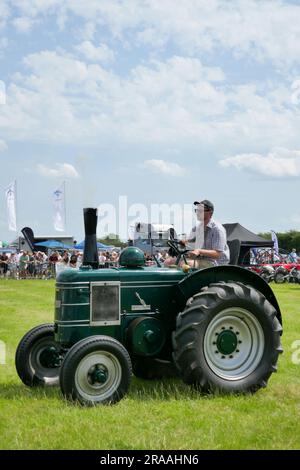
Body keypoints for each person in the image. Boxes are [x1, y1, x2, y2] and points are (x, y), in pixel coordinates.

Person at [182, 199, 230, 268]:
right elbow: (192, 242)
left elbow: (217, 254)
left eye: (201, 210)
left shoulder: (217, 229)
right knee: (170, 261)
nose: (197, 213)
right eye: (197, 210)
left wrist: (199, 251)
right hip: (203, 259)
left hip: (217, 264)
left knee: (187, 264)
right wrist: (185, 242)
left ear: (210, 213)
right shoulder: (198, 227)